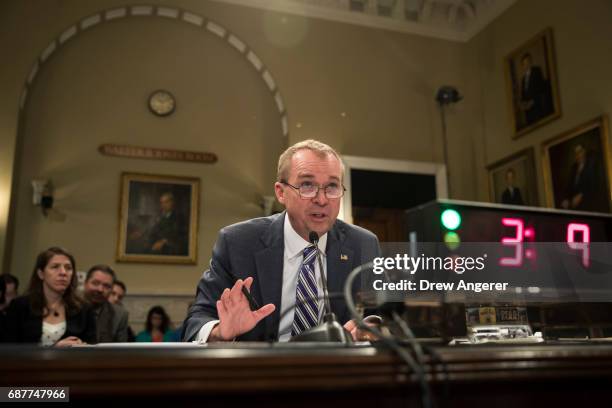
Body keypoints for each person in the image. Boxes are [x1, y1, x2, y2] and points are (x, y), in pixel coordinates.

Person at [182, 139, 380, 342]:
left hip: (336, 369)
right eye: (307, 185)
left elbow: (379, 316)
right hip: (261, 369)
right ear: (281, 192)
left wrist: (368, 330)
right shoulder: (237, 243)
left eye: (332, 186)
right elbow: (197, 319)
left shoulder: (363, 244)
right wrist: (219, 332)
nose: (321, 200)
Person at [3, 247, 96, 346]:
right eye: (55, 267)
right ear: (41, 274)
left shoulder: (84, 309)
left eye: (68, 268)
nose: (63, 273)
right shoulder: (19, 306)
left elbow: (92, 348)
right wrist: (54, 350)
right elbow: (8, 351)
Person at [83, 265, 129, 343]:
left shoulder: (119, 315)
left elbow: (120, 351)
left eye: (106, 286)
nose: (100, 289)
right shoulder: (68, 306)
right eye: (95, 283)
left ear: (111, 290)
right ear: (85, 283)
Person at [561, 144, 597, 211]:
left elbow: (593, 185)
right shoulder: (573, 168)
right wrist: (566, 199)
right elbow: (569, 185)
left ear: (584, 152)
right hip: (575, 205)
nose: (578, 155)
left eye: (580, 152)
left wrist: (581, 195)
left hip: (588, 203)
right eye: (576, 153)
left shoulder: (591, 165)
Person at [518, 52, 551, 127]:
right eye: (524, 63)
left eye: (528, 62)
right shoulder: (523, 79)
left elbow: (541, 88)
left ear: (531, 62)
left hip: (537, 106)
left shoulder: (537, 71)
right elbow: (524, 94)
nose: (527, 65)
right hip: (528, 110)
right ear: (523, 65)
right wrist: (523, 104)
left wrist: (533, 101)